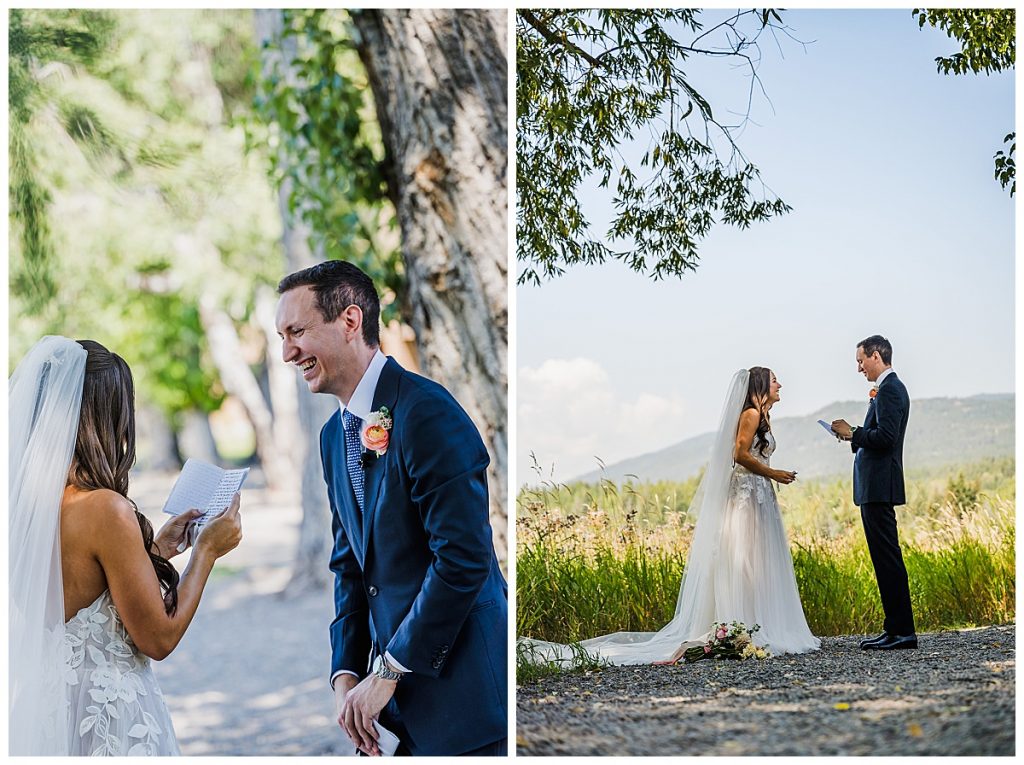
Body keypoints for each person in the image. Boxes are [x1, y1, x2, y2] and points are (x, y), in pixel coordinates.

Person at [275, 261, 507, 756]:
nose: (286, 352)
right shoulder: (332, 438)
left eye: (297, 332)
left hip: (469, 699)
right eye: (281, 336)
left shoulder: (427, 412)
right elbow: (350, 568)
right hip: (399, 712)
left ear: (350, 321)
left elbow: (464, 560)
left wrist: (388, 670)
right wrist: (346, 676)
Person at [9, 336, 242, 756]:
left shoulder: (25, 511)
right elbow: (159, 638)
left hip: (49, 716)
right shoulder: (105, 509)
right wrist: (206, 551)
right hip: (110, 723)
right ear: (104, 416)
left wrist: (153, 551)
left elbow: (81, 588)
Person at [521, 367, 819, 666]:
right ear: (761, 386)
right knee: (746, 558)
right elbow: (739, 454)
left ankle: (760, 623)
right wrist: (773, 473)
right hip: (747, 493)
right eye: (775, 379)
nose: (780, 384)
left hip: (758, 492)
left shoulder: (761, 416)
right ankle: (748, 624)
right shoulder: (751, 414)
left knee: (760, 558)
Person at [831, 335, 916, 650]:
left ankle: (903, 632)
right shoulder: (886, 390)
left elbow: (886, 437)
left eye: (860, 360)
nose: (858, 367)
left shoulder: (891, 390)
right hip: (874, 487)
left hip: (880, 486)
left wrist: (853, 432)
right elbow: (877, 436)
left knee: (889, 559)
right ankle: (893, 629)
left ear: (876, 356)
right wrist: (852, 436)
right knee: (883, 560)